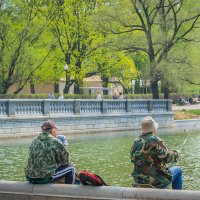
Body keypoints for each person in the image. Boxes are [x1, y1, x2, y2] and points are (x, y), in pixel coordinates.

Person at [130, 116, 182, 190]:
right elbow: (168, 158)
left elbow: (133, 159)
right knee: (178, 170)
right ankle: (178, 196)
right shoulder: (156, 141)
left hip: (139, 181)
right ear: (154, 129)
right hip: (157, 181)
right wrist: (176, 153)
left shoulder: (136, 141)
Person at [25, 120, 75, 184]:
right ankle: (69, 192)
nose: (56, 131)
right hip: (44, 179)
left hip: (30, 177)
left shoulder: (34, 140)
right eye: (56, 129)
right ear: (53, 130)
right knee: (71, 169)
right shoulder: (55, 141)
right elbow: (66, 161)